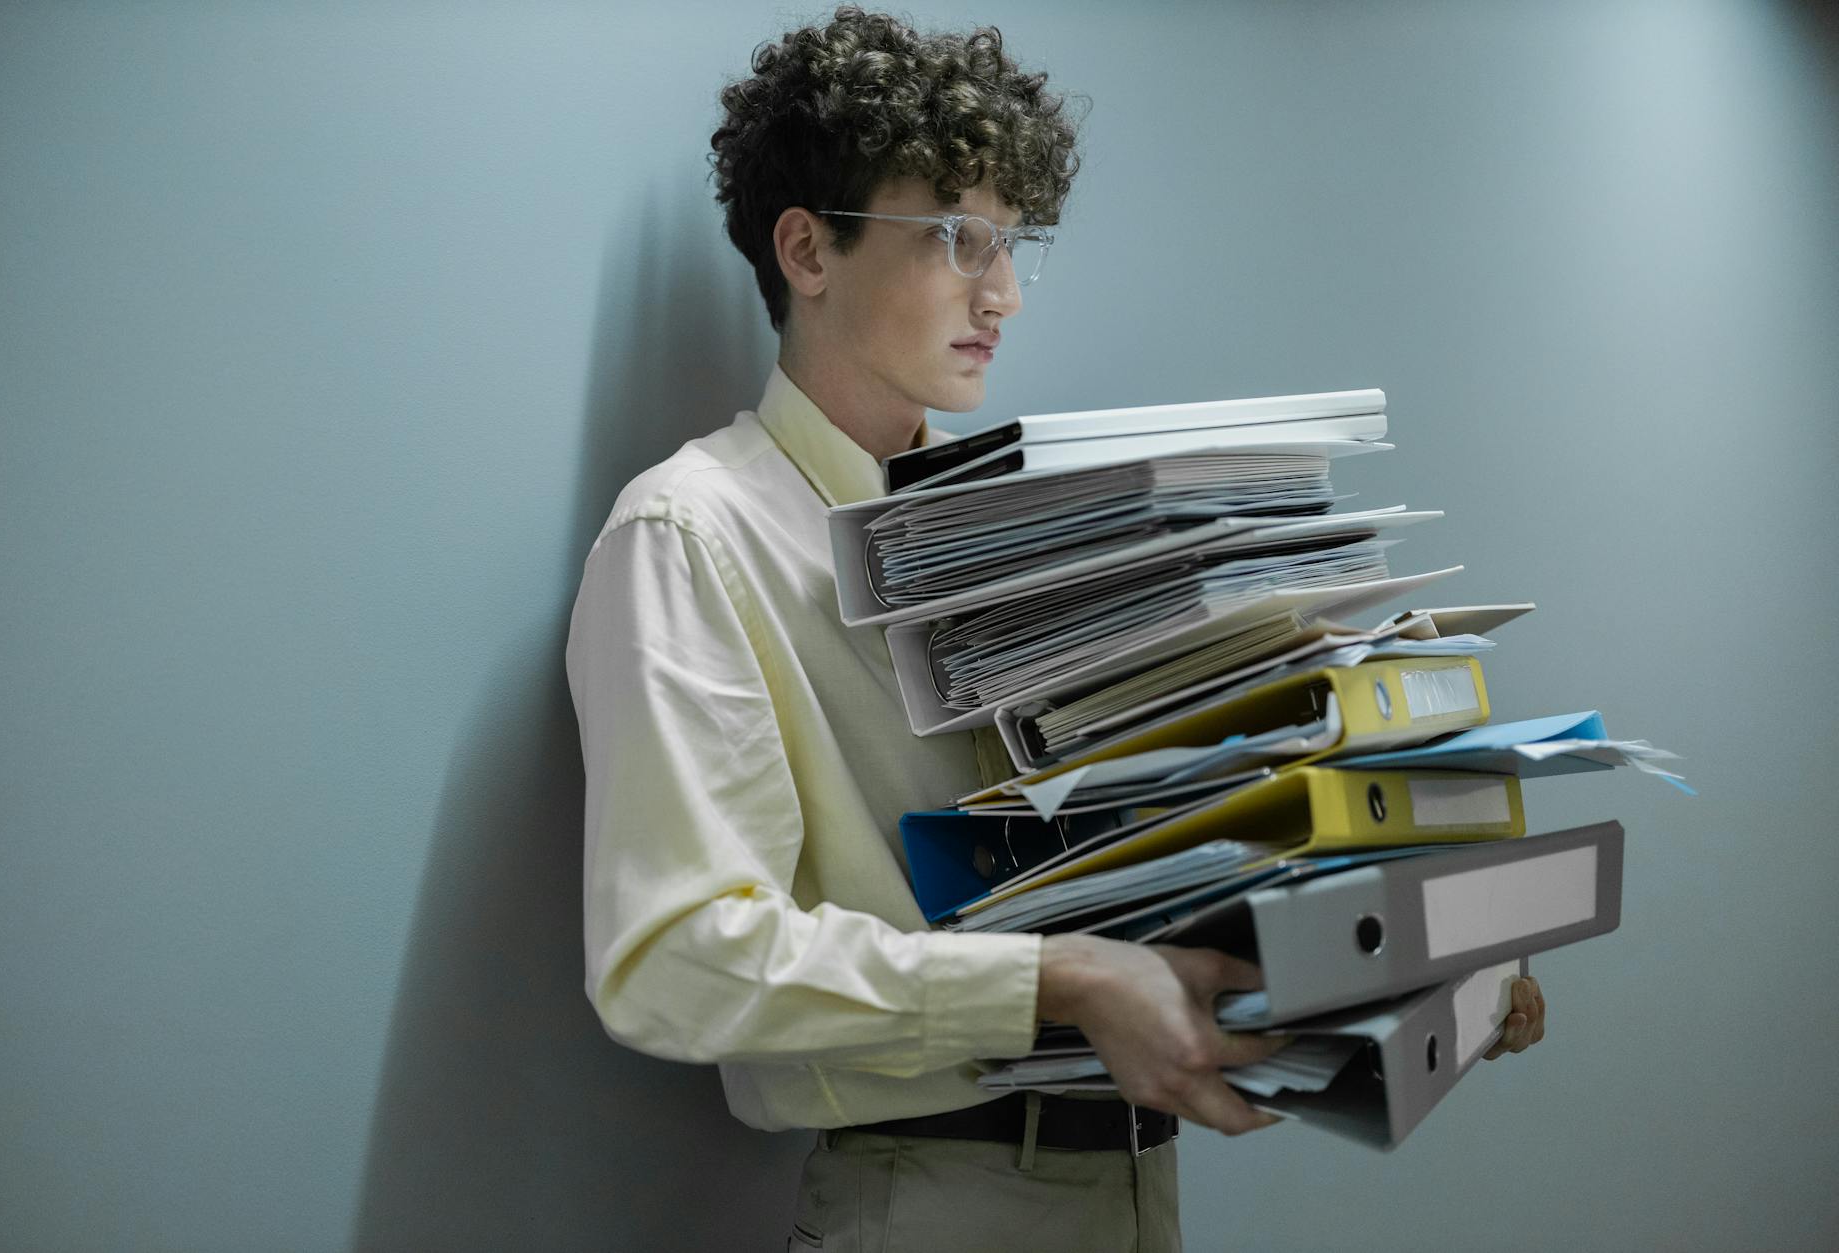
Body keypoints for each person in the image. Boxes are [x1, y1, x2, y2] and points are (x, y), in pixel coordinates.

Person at [564, 8, 1546, 1250]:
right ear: (807, 249)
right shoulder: (691, 534)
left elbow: (1146, 849)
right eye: (957, 240)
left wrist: (1402, 960)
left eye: (1013, 244)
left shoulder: (1031, 531)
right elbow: (675, 953)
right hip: (928, 1196)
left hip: (1136, 1182)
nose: (1004, 294)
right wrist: (1063, 979)